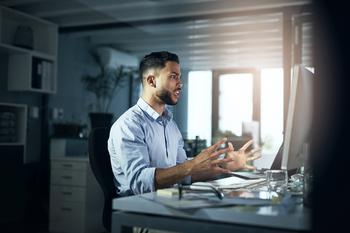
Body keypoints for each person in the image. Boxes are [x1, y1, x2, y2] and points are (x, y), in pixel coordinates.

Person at [108, 51, 261, 197]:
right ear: (151, 80)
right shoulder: (129, 125)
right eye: (173, 77)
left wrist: (225, 166)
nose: (180, 84)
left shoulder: (171, 126)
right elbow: (140, 182)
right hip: (139, 210)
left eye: (179, 77)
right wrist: (191, 165)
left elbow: (184, 176)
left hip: (169, 201)